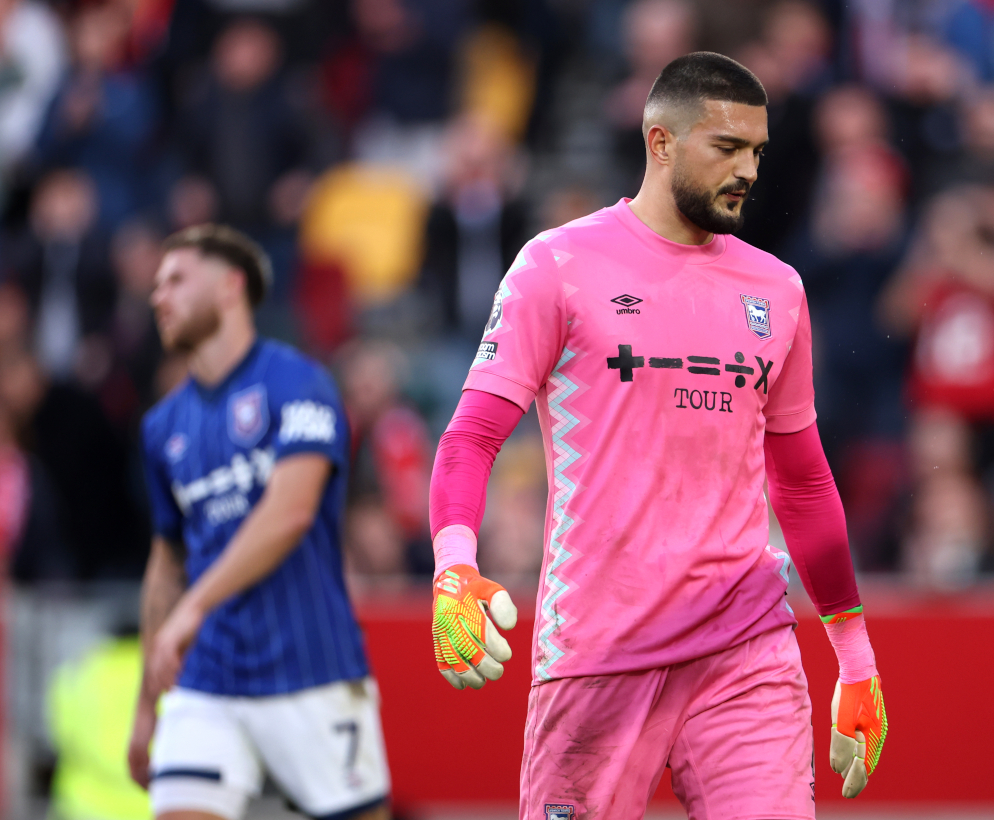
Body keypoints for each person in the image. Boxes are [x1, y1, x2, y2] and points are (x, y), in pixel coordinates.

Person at [427, 52, 888, 819]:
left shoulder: (777, 290)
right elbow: (469, 438)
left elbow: (803, 483)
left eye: (757, 151)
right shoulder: (557, 266)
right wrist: (453, 570)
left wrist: (856, 660)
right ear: (661, 142)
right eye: (726, 147)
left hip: (747, 649)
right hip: (599, 655)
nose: (747, 169)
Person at [127, 224, 390, 820]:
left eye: (175, 279)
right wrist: (147, 705)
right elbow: (166, 562)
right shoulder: (161, 427)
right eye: (155, 286)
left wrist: (193, 608)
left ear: (230, 287)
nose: (157, 296)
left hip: (312, 669)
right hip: (209, 678)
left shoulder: (300, 383)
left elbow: (290, 512)